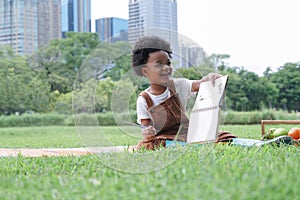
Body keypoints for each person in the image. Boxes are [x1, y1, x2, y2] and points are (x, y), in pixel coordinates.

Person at [131, 35, 236, 150]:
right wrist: (147, 132)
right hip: (164, 137)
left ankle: (190, 145)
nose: (166, 68)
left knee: (223, 136)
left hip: (187, 133)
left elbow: (201, 84)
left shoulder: (179, 85)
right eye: (159, 64)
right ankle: (190, 146)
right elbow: (145, 126)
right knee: (151, 144)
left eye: (168, 63)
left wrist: (211, 77)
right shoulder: (144, 99)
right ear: (145, 71)